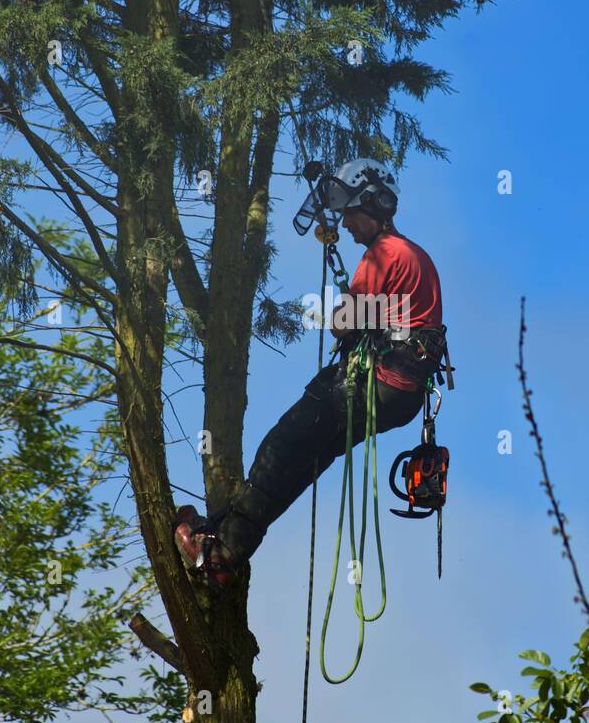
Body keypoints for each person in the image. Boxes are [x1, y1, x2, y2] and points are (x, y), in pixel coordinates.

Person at [174, 159, 450, 587]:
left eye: (351, 215)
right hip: (403, 396)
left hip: (375, 386)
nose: (348, 225)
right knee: (305, 463)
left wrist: (340, 306)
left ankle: (221, 552)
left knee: (281, 447)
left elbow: (344, 322)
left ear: (373, 206)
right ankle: (225, 556)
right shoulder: (417, 256)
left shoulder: (384, 254)